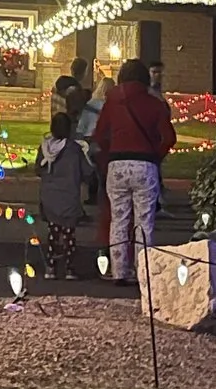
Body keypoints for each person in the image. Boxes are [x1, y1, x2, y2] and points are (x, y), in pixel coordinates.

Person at [92, 57, 176, 284]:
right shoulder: (155, 104)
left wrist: (110, 155)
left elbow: (99, 135)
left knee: (118, 220)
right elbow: (169, 137)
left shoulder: (112, 102)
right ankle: (144, 271)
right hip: (145, 164)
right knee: (144, 221)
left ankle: (119, 271)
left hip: (117, 164)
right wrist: (155, 156)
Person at [34, 110, 98, 279]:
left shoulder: (45, 147)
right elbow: (87, 171)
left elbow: (38, 169)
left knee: (53, 233)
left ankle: (51, 267)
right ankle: (69, 268)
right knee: (69, 234)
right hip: (69, 196)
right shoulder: (74, 149)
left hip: (49, 196)